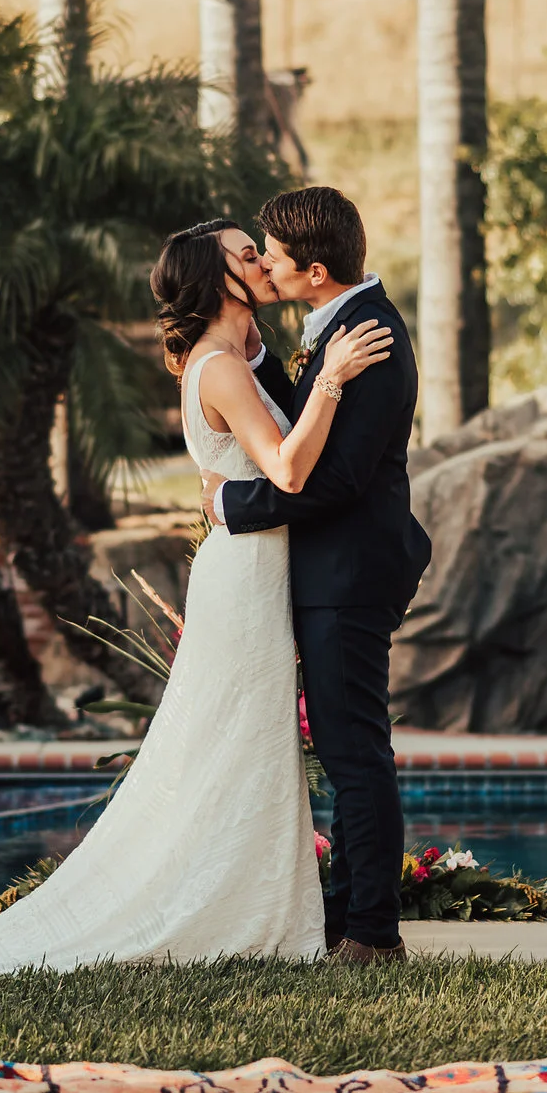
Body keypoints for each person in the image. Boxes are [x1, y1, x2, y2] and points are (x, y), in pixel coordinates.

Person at [0, 213, 396, 977]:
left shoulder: (239, 357)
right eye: (244, 254)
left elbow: (263, 467)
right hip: (245, 572)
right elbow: (287, 472)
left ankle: (261, 901)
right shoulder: (219, 365)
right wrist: (329, 381)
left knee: (246, 742)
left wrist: (258, 443)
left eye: (260, 251)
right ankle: (227, 905)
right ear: (211, 278)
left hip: (259, 567)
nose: (259, 259)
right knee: (231, 740)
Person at [203, 186, 433, 964]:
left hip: (349, 574)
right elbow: (299, 413)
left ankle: (372, 932)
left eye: (271, 253)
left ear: (317, 269)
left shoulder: (369, 337)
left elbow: (331, 479)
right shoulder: (337, 323)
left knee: (355, 752)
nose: (264, 262)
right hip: (333, 572)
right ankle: (345, 915)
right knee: (345, 750)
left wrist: (232, 503)